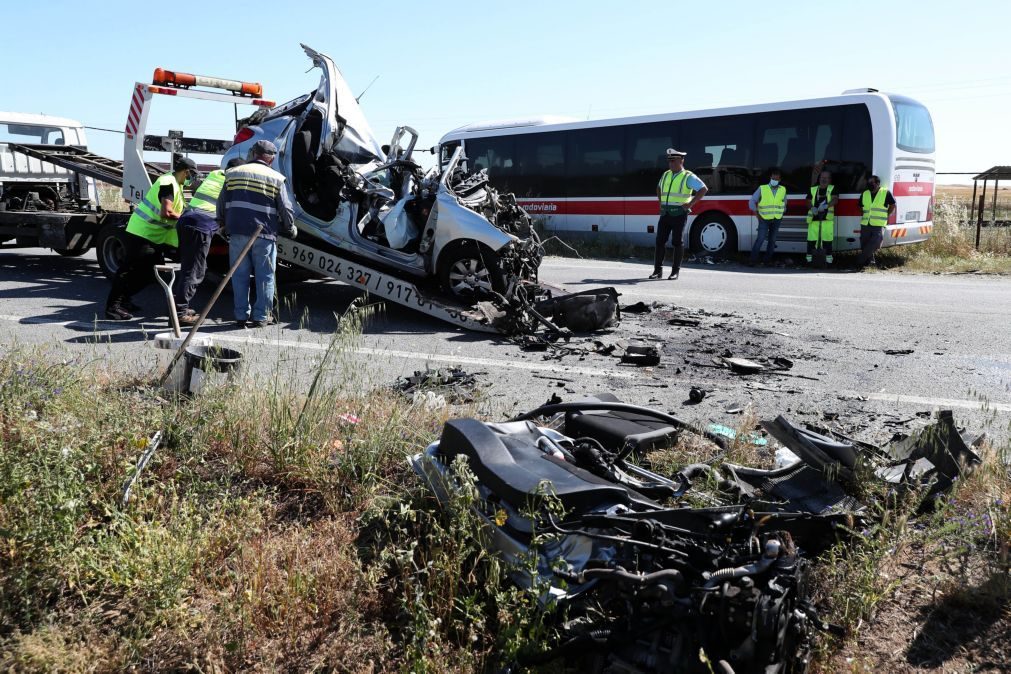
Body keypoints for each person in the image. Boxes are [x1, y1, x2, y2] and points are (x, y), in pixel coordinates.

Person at [105, 157, 197, 320]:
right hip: (141, 232)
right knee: (129, 270)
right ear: (186, 172)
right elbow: (166, 212)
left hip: (152, 236)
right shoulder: (168, 182)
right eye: (192, 175)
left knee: (151, 273)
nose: (192, 179)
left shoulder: (176, 185)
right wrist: (186, 219)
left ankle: (124, 299)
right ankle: (113, 307)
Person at [217, 140, 296, 328]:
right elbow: (285, 207)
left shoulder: (232, 173)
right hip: (264, 233)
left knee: (239, 274)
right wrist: (290, 227)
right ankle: (261, 317)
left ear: (253, 153)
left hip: (237, 231)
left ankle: (241, 316)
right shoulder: (276, 178)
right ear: (271, 159)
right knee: (265, 276)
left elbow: (221, 203)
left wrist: (222, 223)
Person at [173, 157, 245, 325]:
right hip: (201, 225)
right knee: (194, 271)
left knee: (191, 268)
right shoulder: (232, 181)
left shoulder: (214, 174)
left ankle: (179, 307)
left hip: (187, 220)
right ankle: (180, 313)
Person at [651, 148, 707, 280]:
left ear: (682, 160)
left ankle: (675, 272)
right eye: (669, 161)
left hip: (679, 214)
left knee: (677, 242)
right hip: (665, 212)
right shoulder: (666, 174)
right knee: (660, 241)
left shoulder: (688, 176)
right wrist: (661, 202)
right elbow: (659, 187)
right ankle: (657, 271)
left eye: (674, 161)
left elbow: (703, 189)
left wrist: (690, 204)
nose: (671, 164)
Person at [855, 175, 896, 269]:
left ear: (878, 183)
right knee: (865, 244)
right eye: (868, 183)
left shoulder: (885, 192)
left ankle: (859, 261)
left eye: (872, 183)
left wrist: (886, 215)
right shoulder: (865, 193)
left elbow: (893, 205)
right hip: (865, 223)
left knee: (875, 243)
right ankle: (870, 264)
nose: (869, 184)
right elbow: (860, 206)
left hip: (879, 224)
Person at [748, 167, 787, 266]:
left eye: (776, 179)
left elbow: (784, 203)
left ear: (780, 180)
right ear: (770, 178)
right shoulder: (762, 188)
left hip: (777, 219)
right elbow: (752, 201)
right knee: (760, 239)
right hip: (764, 219)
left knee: (772, 240)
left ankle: (767, 260)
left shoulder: (783, 189)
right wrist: (757, 214)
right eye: (773, 179)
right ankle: (752, 260)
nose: (774, 181)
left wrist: (781, 213)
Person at [805, 170, 838, 266]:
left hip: (827, 220)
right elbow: (807, 201)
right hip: (813, 220)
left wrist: (825, 206)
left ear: (830, 179)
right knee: (811, 241)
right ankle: (809, 261)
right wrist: (812, 207)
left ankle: (828, 262)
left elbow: (835, 200)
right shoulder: (813, 189)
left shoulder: (833, 188)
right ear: (819, 178)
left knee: (827, 241)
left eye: (826, 178)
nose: (824, 179)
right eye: (822, 177)